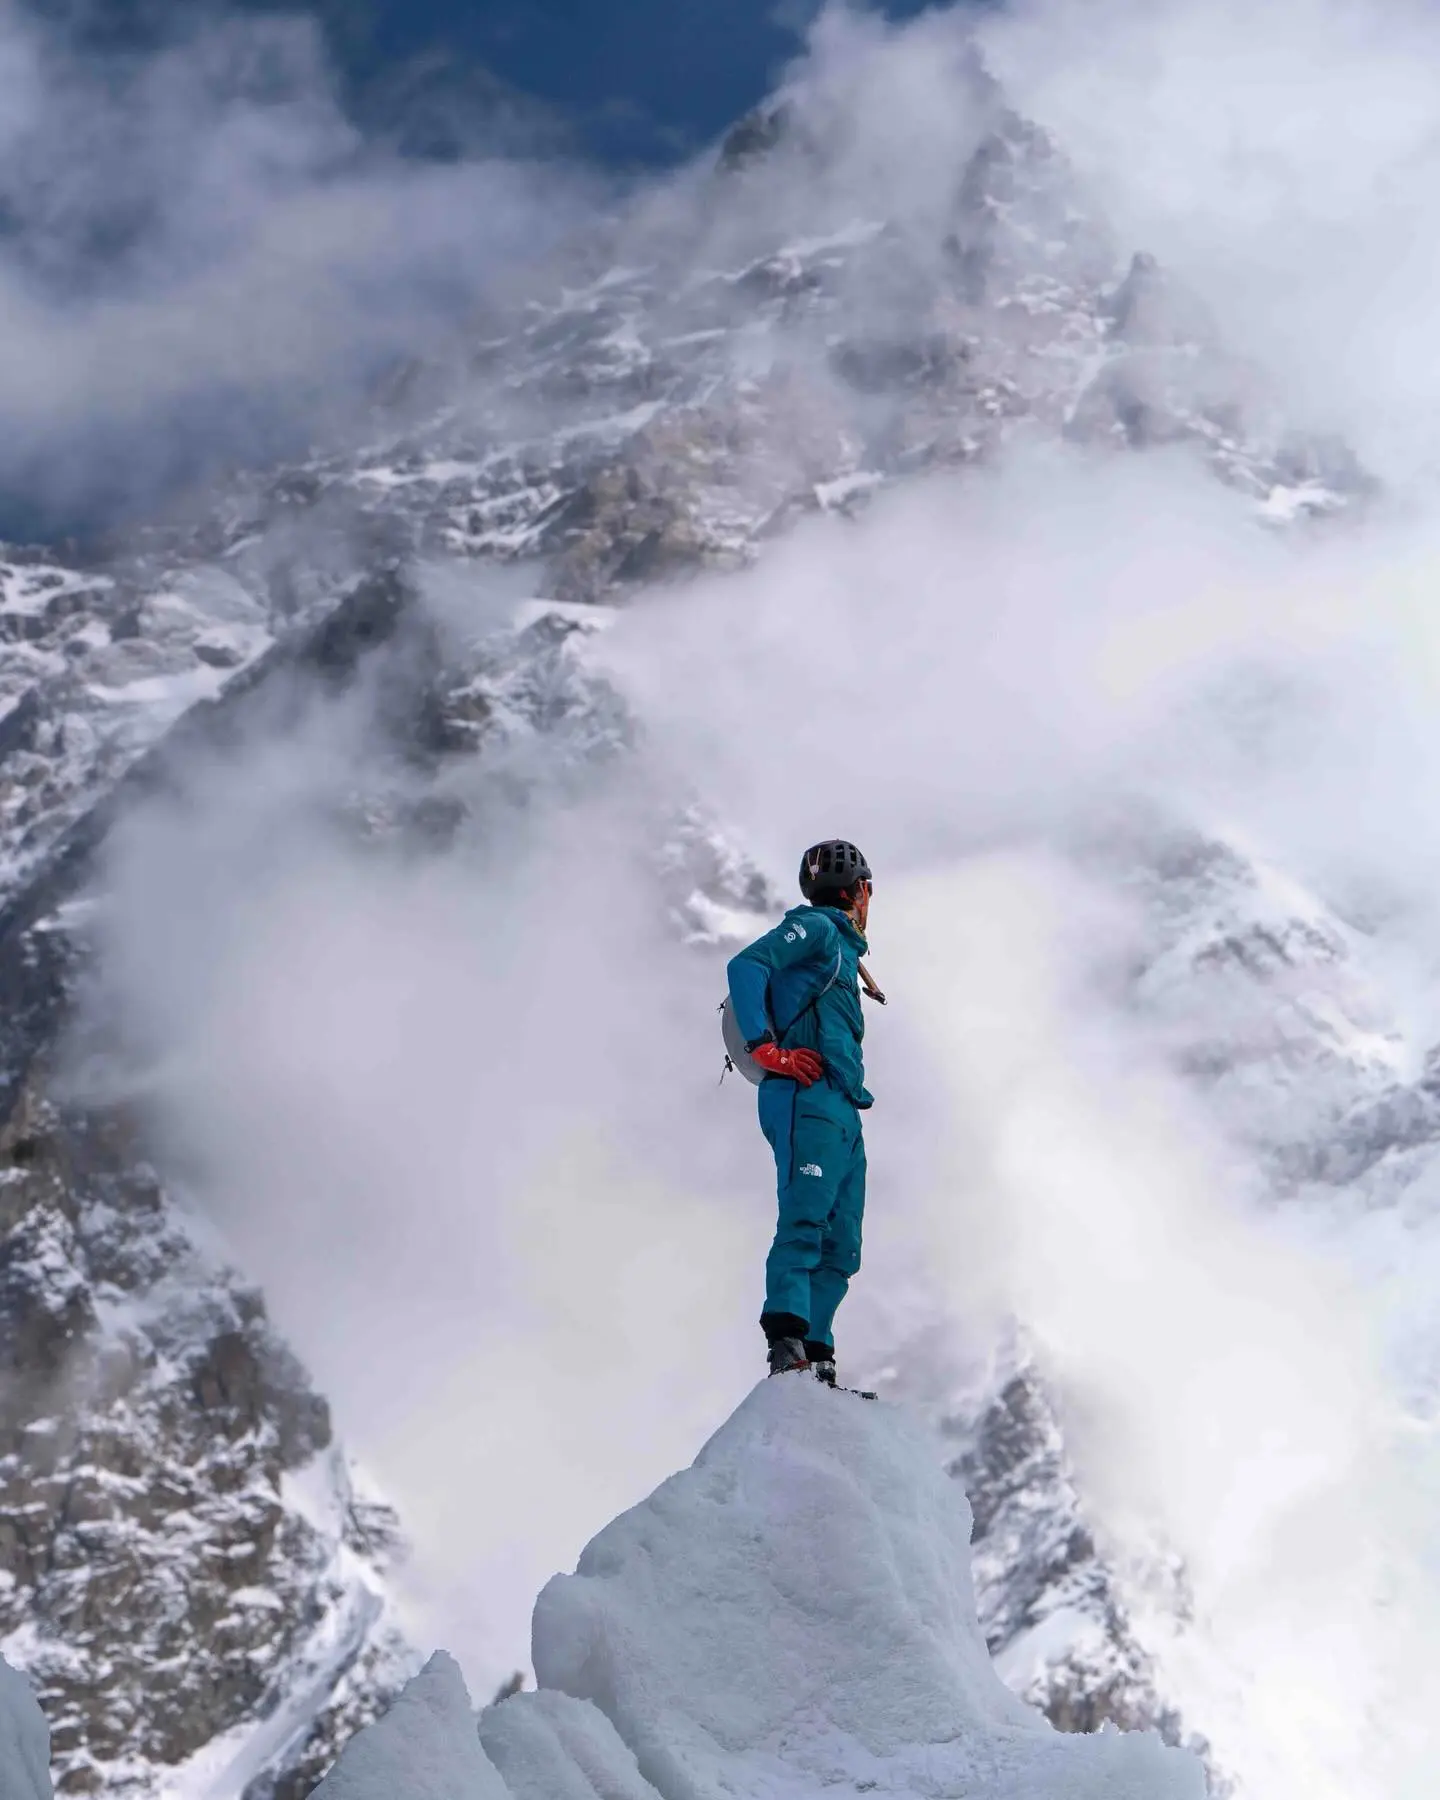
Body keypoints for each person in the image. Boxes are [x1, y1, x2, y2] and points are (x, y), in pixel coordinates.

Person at [726, 839, 876, 1383]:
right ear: (858, 890)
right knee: (805, 1220)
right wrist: (766, 1048)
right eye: (867, 891)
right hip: (805, 1098)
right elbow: (746, 965)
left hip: (841, 1106)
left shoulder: (843, 949)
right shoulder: (815, 928)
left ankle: (818, 1355)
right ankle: (786, 1347)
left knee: (842, 1241)